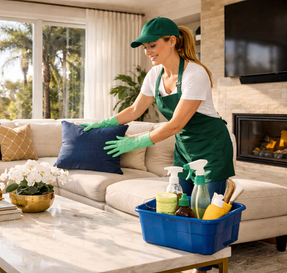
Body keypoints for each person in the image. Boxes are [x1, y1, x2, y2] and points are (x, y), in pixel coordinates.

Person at [81, 17, 234, 273]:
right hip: (185, 147)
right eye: (145, 48)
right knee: (182, 206)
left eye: (152, 45)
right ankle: (185, 263)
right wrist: (104, 124)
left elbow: (175, 124)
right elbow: (134, 109)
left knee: (206, 213)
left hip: (211, 148)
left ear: (172, 41)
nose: (148, 52)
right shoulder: (155, 74)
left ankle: (205, 268)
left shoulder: (195, 73)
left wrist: (136, 142)